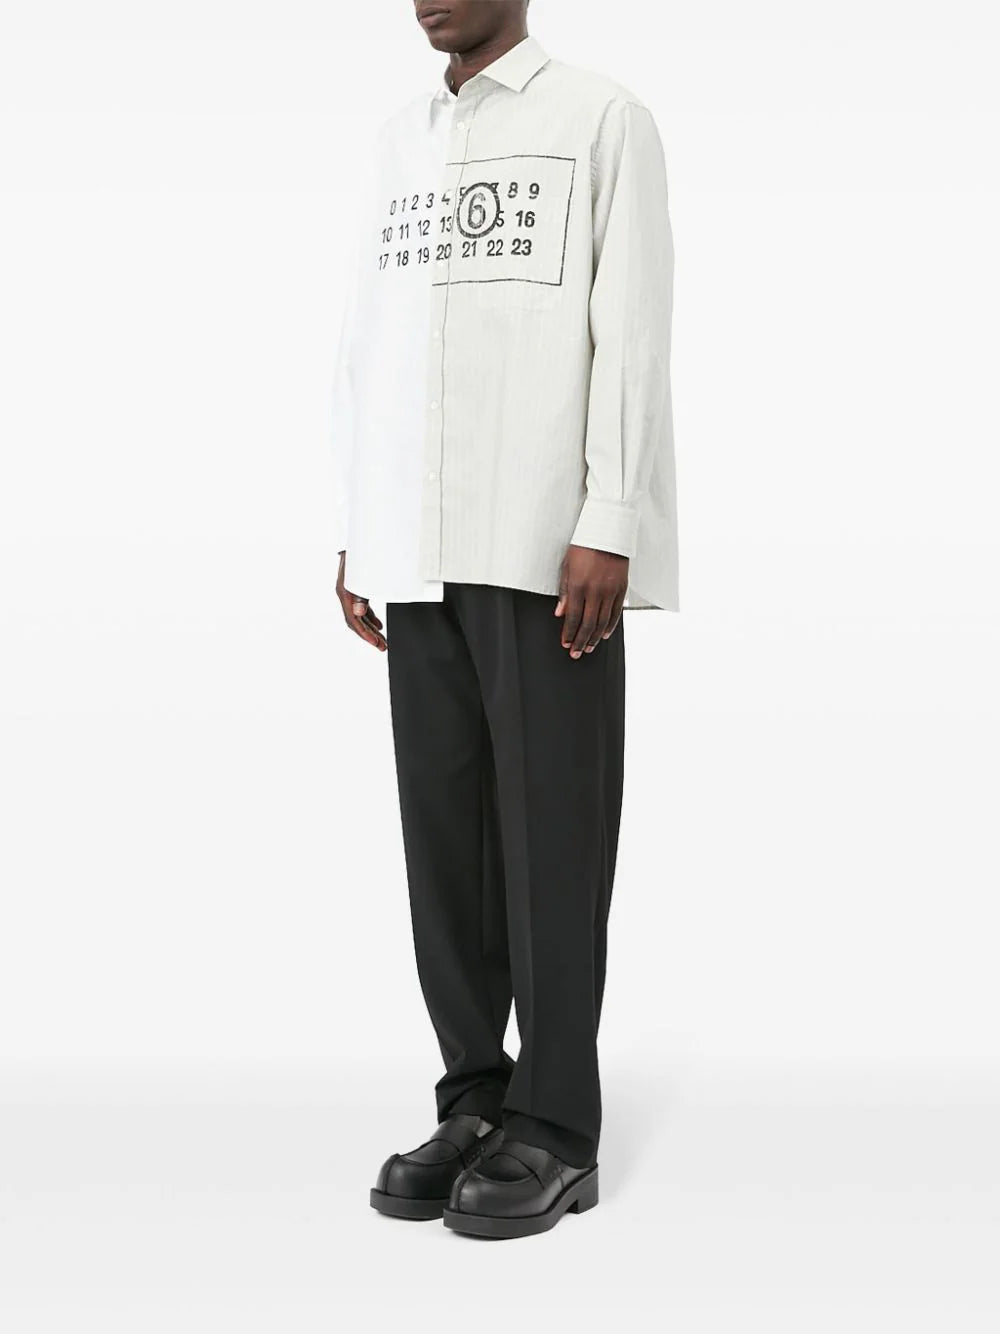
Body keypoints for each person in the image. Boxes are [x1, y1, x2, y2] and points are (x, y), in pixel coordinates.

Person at [330, 0, 677, 1240]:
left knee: (550, 833)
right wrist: (361, 520)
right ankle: (475, 1095)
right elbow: (374, 340)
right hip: (416, 541)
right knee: (445, 840)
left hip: (538, 538)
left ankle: (558, 1123)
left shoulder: (599, 118)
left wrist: (611, 514)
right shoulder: (401, 139)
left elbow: (630, 329)